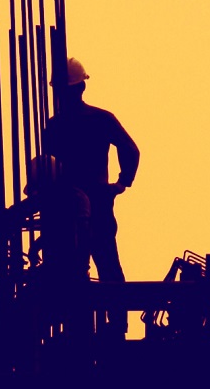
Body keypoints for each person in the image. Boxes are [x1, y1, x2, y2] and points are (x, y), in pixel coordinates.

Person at [42, 58, 139, 283]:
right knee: (109, 269)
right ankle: (116, 318)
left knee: (70, 274)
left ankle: (80, 315)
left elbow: (46, 166)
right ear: (82, 86)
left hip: (64, 206)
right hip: (97, 202)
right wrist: (121, 183)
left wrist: (122, 182)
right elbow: (130, 149)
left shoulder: (54, 125)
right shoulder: (101, 119)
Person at [11, 154, 92, 287]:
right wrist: (37, 245)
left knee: (23, 295)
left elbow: (22, 210)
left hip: (64, 273)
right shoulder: (73, 195)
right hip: (75, 271)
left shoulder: (56, 194)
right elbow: (60, 230)